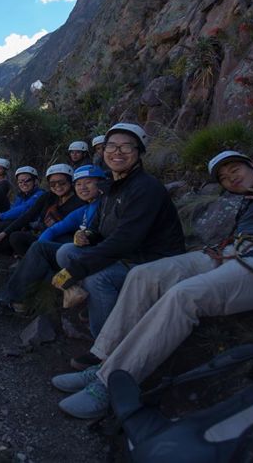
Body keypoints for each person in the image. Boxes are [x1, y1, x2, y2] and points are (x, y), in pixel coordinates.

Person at [51, 150, 253, 420]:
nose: (230, 177)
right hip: (228, 253)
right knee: (142, 275)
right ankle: (104, 359)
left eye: (235, 168)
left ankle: (112, 384)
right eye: (223, 176)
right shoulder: (247, 206)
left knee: (183, 296)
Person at [51, 123, 185, 348]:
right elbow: (101, 230)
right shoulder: (110, 187)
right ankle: (97, 308)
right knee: (67, 251)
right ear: (102, 152)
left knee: (97, 277)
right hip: (128, 255)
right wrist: (89, 237)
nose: (117, 152)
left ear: (139, 152)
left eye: (126, 147)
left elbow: (125, 240)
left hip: (153, 260)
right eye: (111, 146)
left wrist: (75, 271)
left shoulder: (145, 188)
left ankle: (106, 349)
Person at [0, 164, 106, 315]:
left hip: (82, 250)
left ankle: (14, 300)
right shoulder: (84, 208)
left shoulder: (98, 205)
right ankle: (26, 288)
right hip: (68, 247)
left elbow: (105, 235)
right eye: (79, 184)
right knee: (27, 242)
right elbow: (50, 225)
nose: (82, 187)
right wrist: (39, 244)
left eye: (62, 183)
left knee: (44, 248)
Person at [0, 163, 84, 257]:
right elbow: (28, 215)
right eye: (53, 183)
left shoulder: (79, 202)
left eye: (62, 182)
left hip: (62, 239)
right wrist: (1, 235)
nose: (57, 186)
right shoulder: (48, 196)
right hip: (42, 234)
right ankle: (27, 258)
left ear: (71, 182)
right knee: (12, 238)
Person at [0, 166, 44, 241]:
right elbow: (13, 209)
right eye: (20, 182)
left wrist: (0, 217)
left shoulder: (40, 194)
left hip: (30, 227)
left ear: (35, 181)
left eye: (27, 180)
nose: (23, 184)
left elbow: (24, 209)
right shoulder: (21, 196)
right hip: (18, 224)